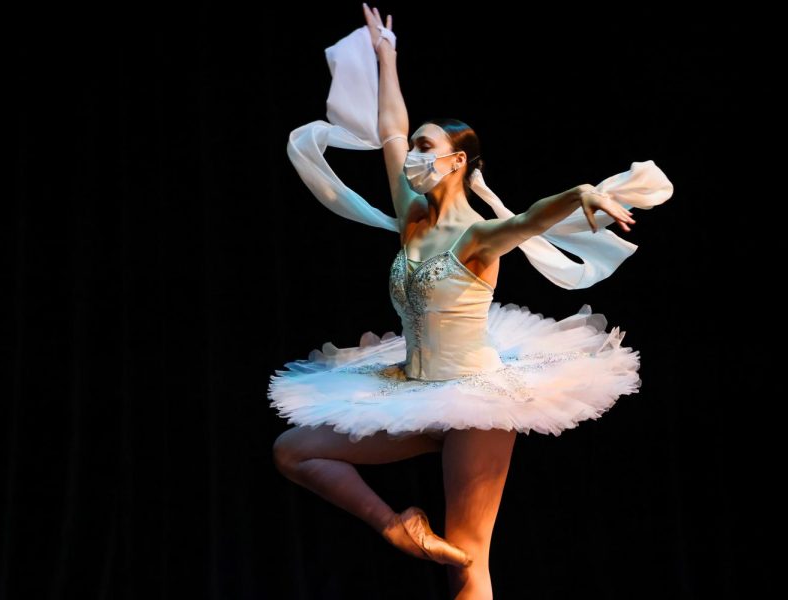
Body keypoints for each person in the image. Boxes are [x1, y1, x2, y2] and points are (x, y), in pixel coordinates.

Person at [269, 4, 673, 598]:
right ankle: (397, 527)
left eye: (426, 148)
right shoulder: (411, 217)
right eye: (415, 148)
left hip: (476, 399)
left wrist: (583, 192)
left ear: (456, 162)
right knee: (292, 452)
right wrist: (387, 59)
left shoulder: (479, 237)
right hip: (411, 389)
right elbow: (390, 129)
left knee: (468, 562)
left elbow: (534, 217)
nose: (411, 156)